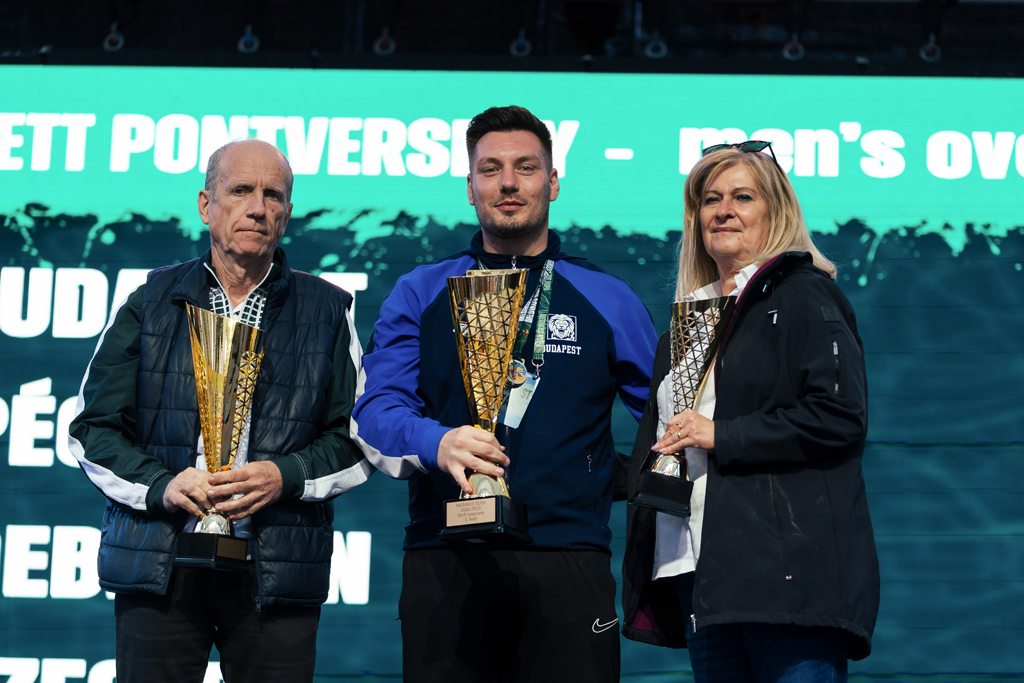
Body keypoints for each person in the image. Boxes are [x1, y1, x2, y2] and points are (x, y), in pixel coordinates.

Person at [352, 105, 658, 682]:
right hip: (445, 553)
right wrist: (437, 442)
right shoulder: (421, 290)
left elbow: (666, 422)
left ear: (553, 182)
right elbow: (376, 412)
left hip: (569, 555)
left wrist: (598, 475)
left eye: (526, 167)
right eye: (490, 169)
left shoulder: (608, 297)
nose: (509, 183)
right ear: (470, 188)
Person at [68, 139, 373, 683]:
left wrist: (285, 476)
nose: (257, 208)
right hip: (161, 563)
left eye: (272, 195)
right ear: (206, 204)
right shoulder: (150, 300)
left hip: (275, 570)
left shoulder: (329, 309)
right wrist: (162, 485)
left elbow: (358, 438)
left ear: (287, 214)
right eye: (241, 191)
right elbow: (91, 430)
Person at [621, 141, 879, 681]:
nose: (723, 210)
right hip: (698, 572)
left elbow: (839, 417)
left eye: (743, 197)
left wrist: (721, 435)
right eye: (710, 199)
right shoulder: (685, 325)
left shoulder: (805, 295)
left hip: (783, 576)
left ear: (775, 212)